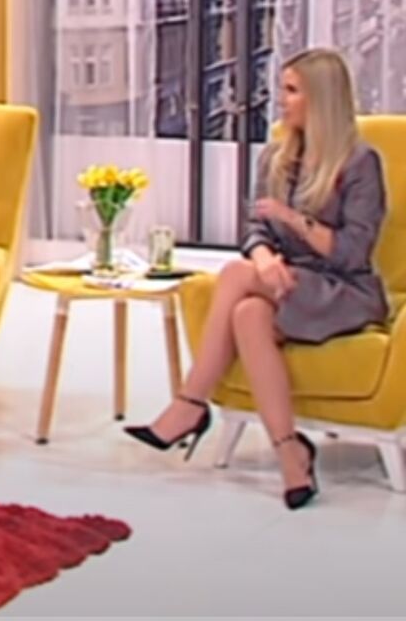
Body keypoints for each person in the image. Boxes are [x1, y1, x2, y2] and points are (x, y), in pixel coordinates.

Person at [124, 48, 389, 510]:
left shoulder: (359, 163)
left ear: (321, 98)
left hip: (343, 290)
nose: (279, 99)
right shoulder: (276, 156)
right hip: (283, 279)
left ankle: (190, 403)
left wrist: (291, 218)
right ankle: (291, 453)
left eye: (291, 90)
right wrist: (265, 258)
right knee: (248, 313)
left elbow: (352, 253)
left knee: (234, 274)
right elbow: (254, 229)